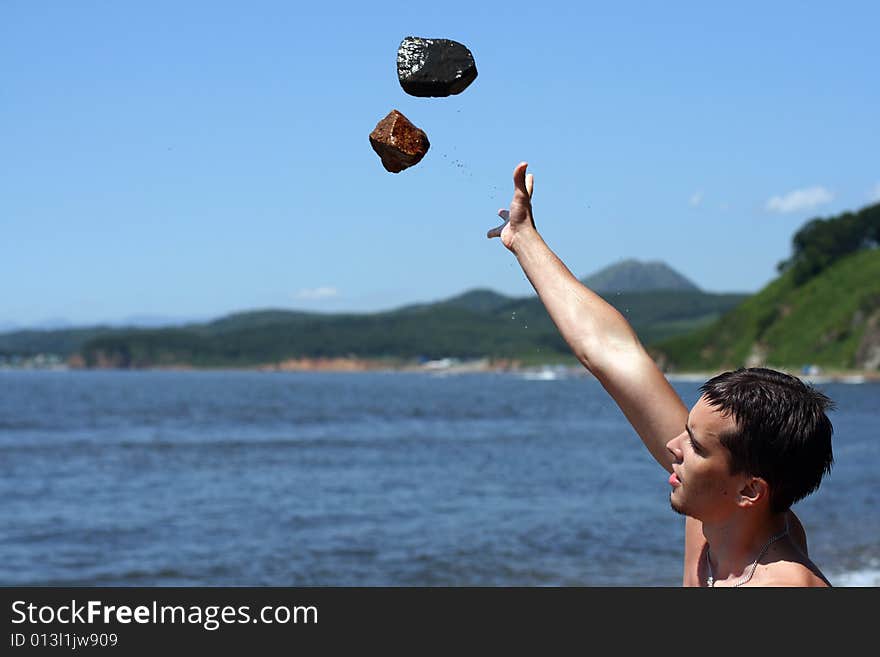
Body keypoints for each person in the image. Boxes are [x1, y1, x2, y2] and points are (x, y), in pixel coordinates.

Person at [488, 162, 834, 587]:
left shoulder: (784, 586)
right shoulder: (713, 521)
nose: (672, 445)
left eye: (695, 445)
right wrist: (524, 240)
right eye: (687, 430)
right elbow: (612, 353)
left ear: (750, 491)